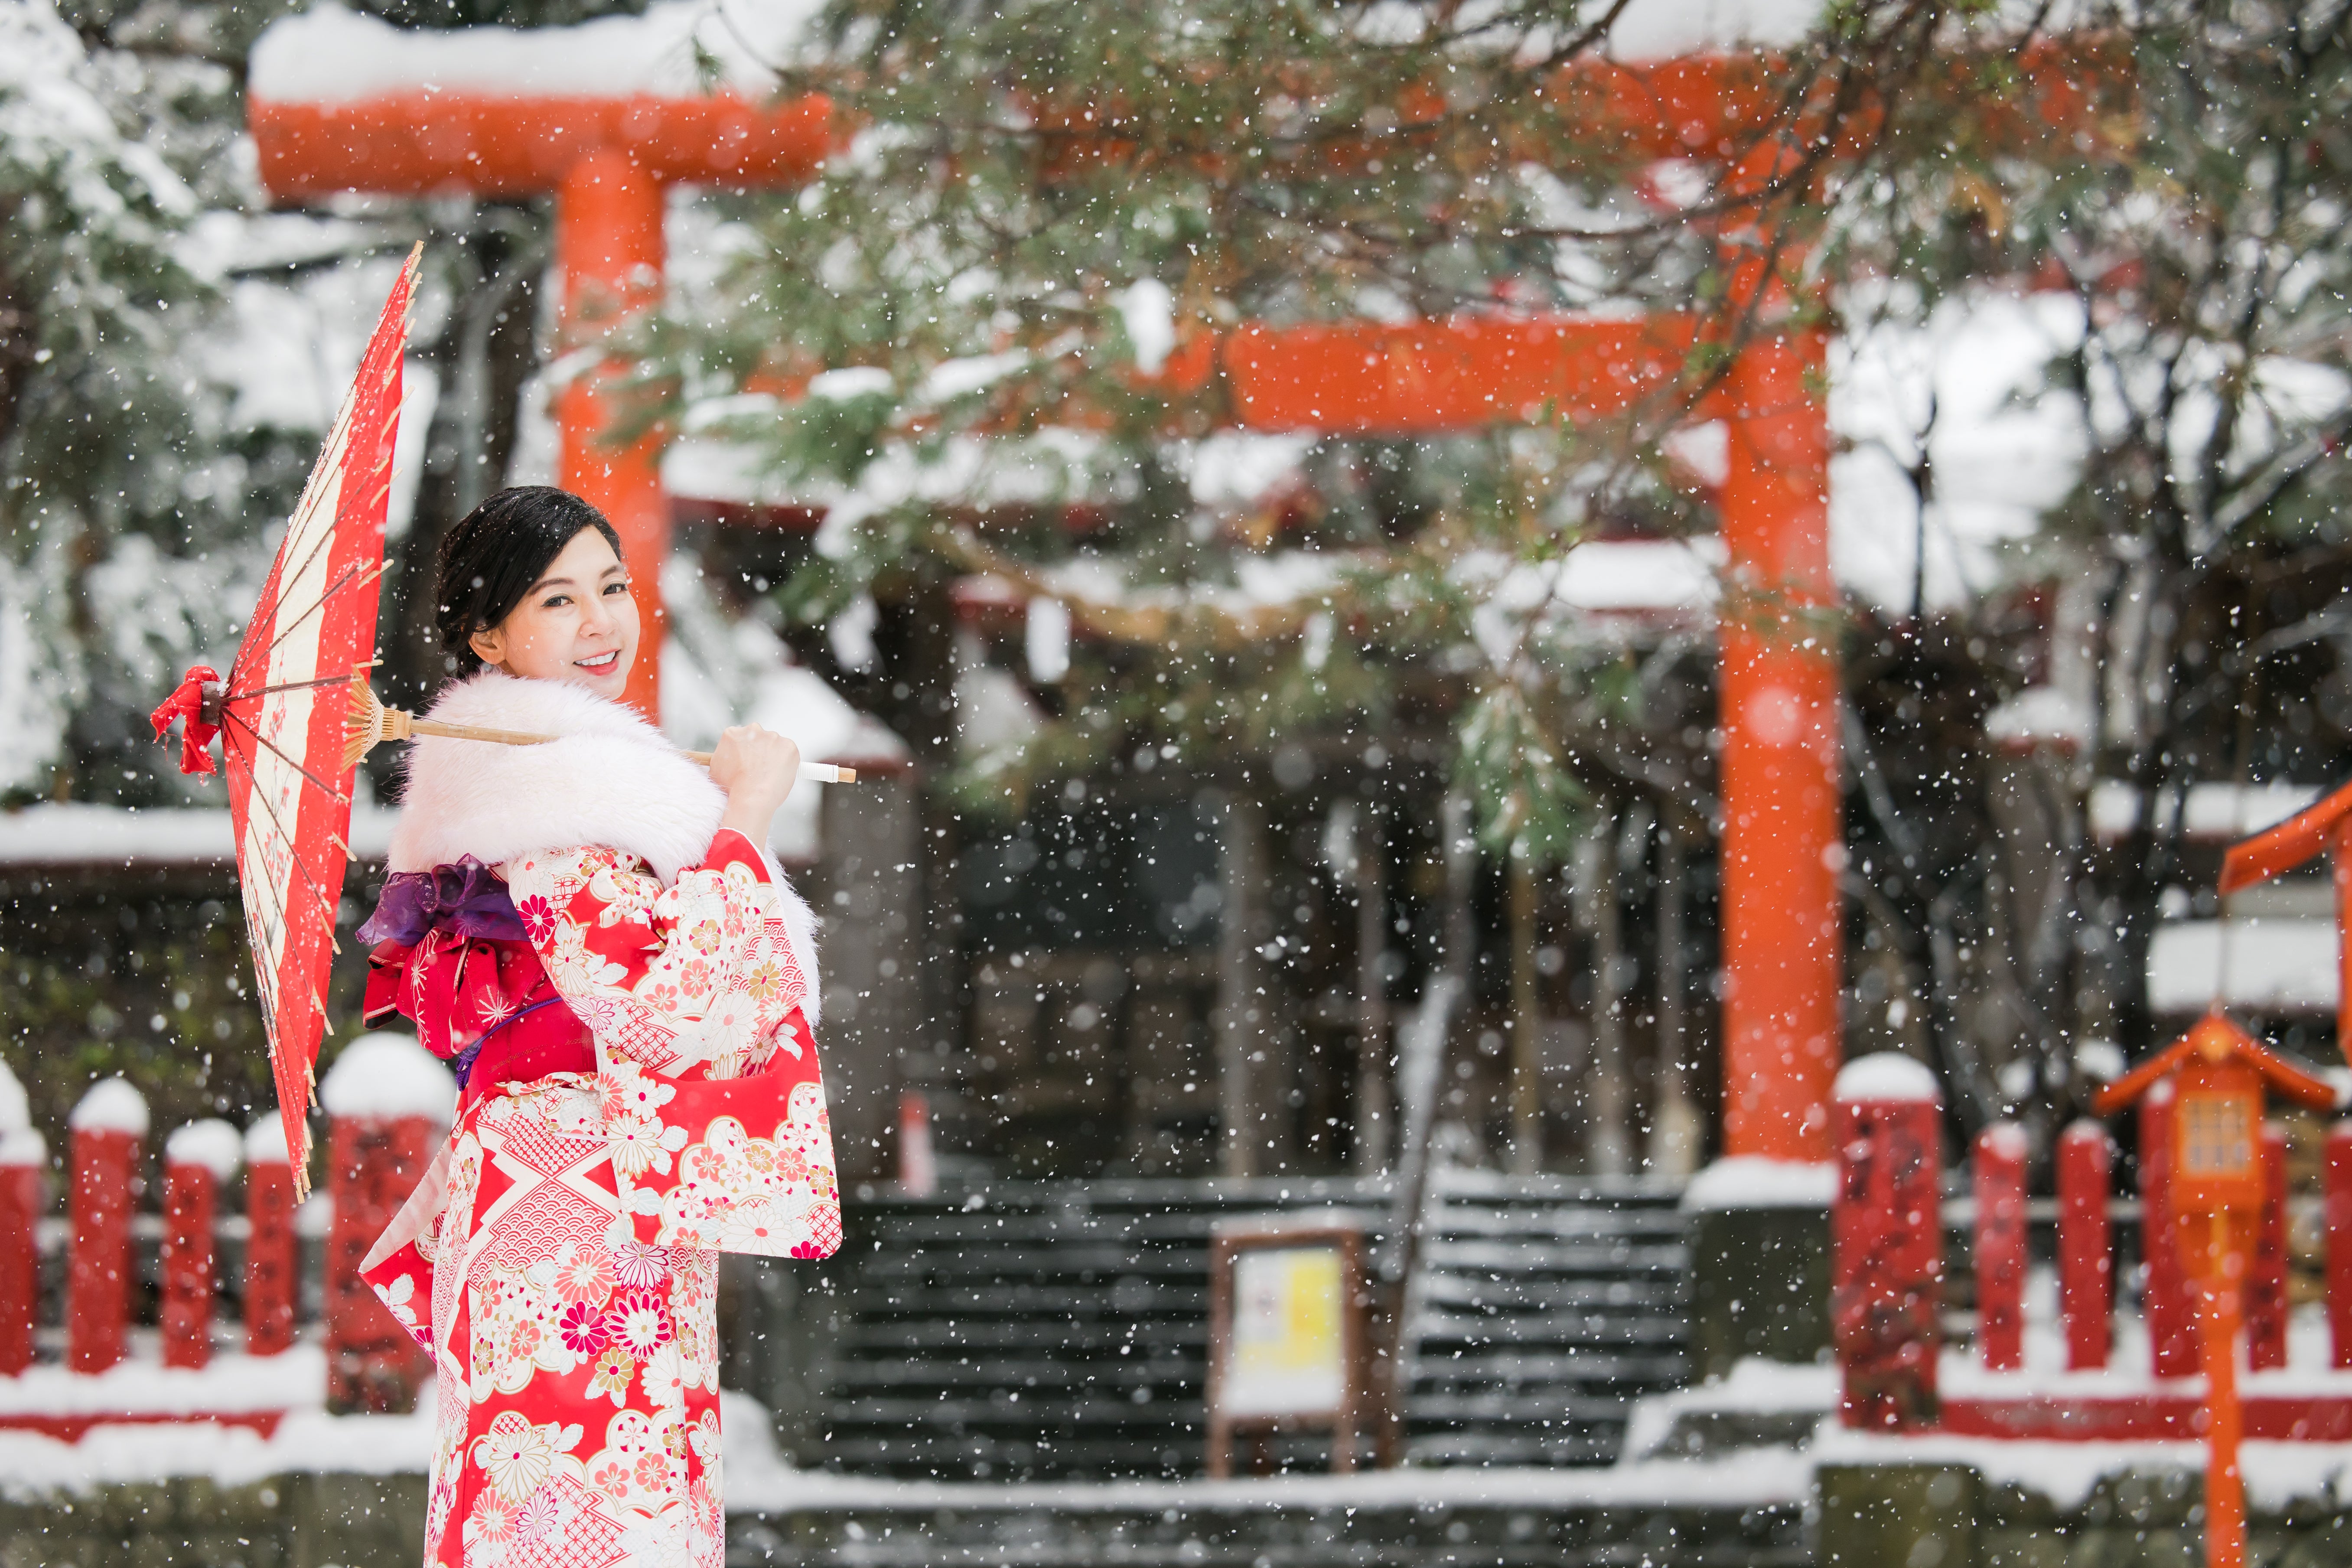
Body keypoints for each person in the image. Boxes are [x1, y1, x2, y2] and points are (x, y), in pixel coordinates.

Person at [352, 486, 838, 1568]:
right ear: (490, 636)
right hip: (574, 1192)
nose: (602, 622)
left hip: (558, 1176)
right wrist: (745, 819)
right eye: (558, 600)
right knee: (597, 1508)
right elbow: (664, 998)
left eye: (612, 588)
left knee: (568, 1502)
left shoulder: (538, 776)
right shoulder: (552, 790)